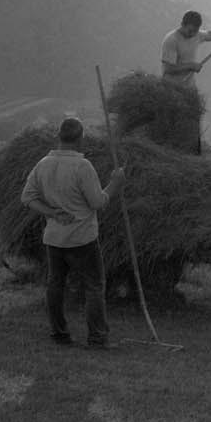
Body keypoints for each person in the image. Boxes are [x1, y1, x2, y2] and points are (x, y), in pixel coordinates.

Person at [20, 117, 127, 347]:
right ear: (80, 140)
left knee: (55, 284)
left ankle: (59, 333)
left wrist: (51, 212)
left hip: (55, 238)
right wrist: (115, 185)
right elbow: (97, 202)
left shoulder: (43, 164)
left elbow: (27, 197)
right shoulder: (82, 166)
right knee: (94, 285)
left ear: (58, 137)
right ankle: (97, 337)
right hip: (82, 239)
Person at [160, 10, 211, 87]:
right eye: (190, 31)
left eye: (195, 31)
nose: (193, 34)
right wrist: (190, 66)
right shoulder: (171, 40)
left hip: (188, 86)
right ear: (182, 24)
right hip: (171, 87)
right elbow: (168, 68)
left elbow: (210, 34)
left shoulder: (196, 35)